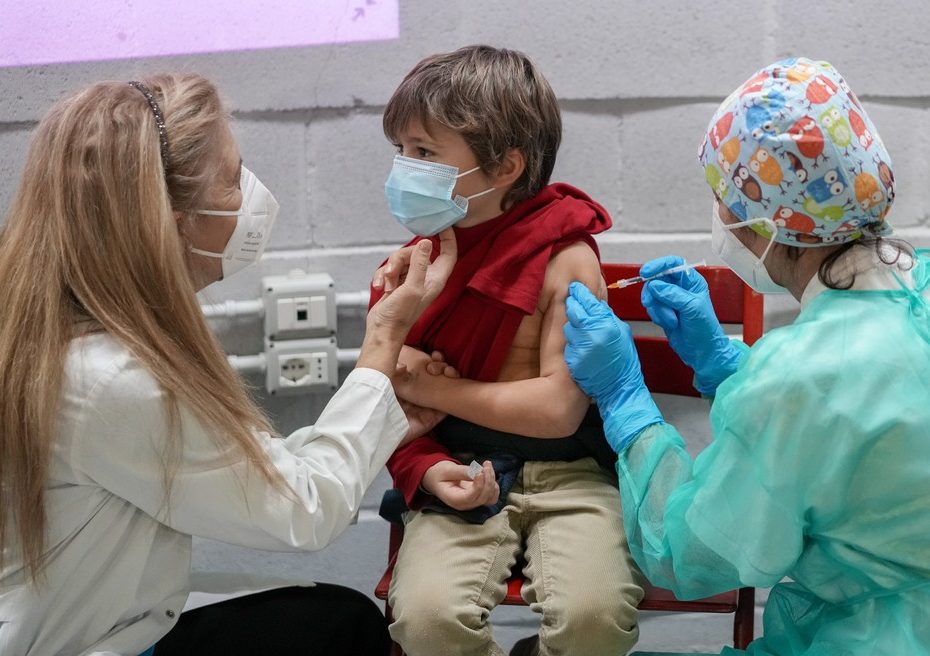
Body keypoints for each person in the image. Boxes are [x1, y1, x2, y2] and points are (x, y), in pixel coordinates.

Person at [0, 73, 457, 656]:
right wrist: (383, 342)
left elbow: (237, 468)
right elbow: (305, 509)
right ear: (172, 216)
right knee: (345, 627)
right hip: (82, 640)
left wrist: (381, 419)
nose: (250, 195)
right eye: (231, 178)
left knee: (329, 616)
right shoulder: (113, 378)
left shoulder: (53, 330)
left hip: (73, 617)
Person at [563, 57, 930, 655]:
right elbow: (850, 432)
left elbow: (690, 555)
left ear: (767, 222)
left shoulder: (797, 379)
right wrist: (724, 366)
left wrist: (626, 401)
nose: (721, 218)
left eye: (723, 198)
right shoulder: (919, 293)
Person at [370, 45, 643, 656]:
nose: (405, 168)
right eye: (401, 151)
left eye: (425, 153)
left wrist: (424, 384)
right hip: (459, 467)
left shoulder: (564, 256)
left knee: (595, 620)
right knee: (427, 623)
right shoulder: (412, 265)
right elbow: (384, 405)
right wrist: (428, 471)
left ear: (505, 167)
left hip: (573, 475)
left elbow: (556, 411)